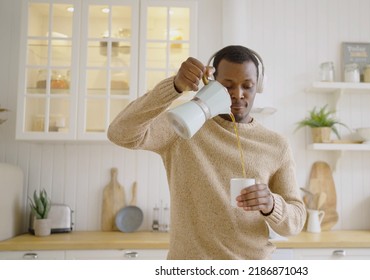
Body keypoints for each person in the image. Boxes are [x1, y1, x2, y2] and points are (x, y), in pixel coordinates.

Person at [107, 45, 306, 259]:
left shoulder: (276, 145)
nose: (238, 94)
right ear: (211, 84)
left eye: (247, 86)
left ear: (258, 87)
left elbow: (296, 221)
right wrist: (173, 87)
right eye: (228, 86)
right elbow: (120, 133)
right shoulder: (184, 126)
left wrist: (271, 204)